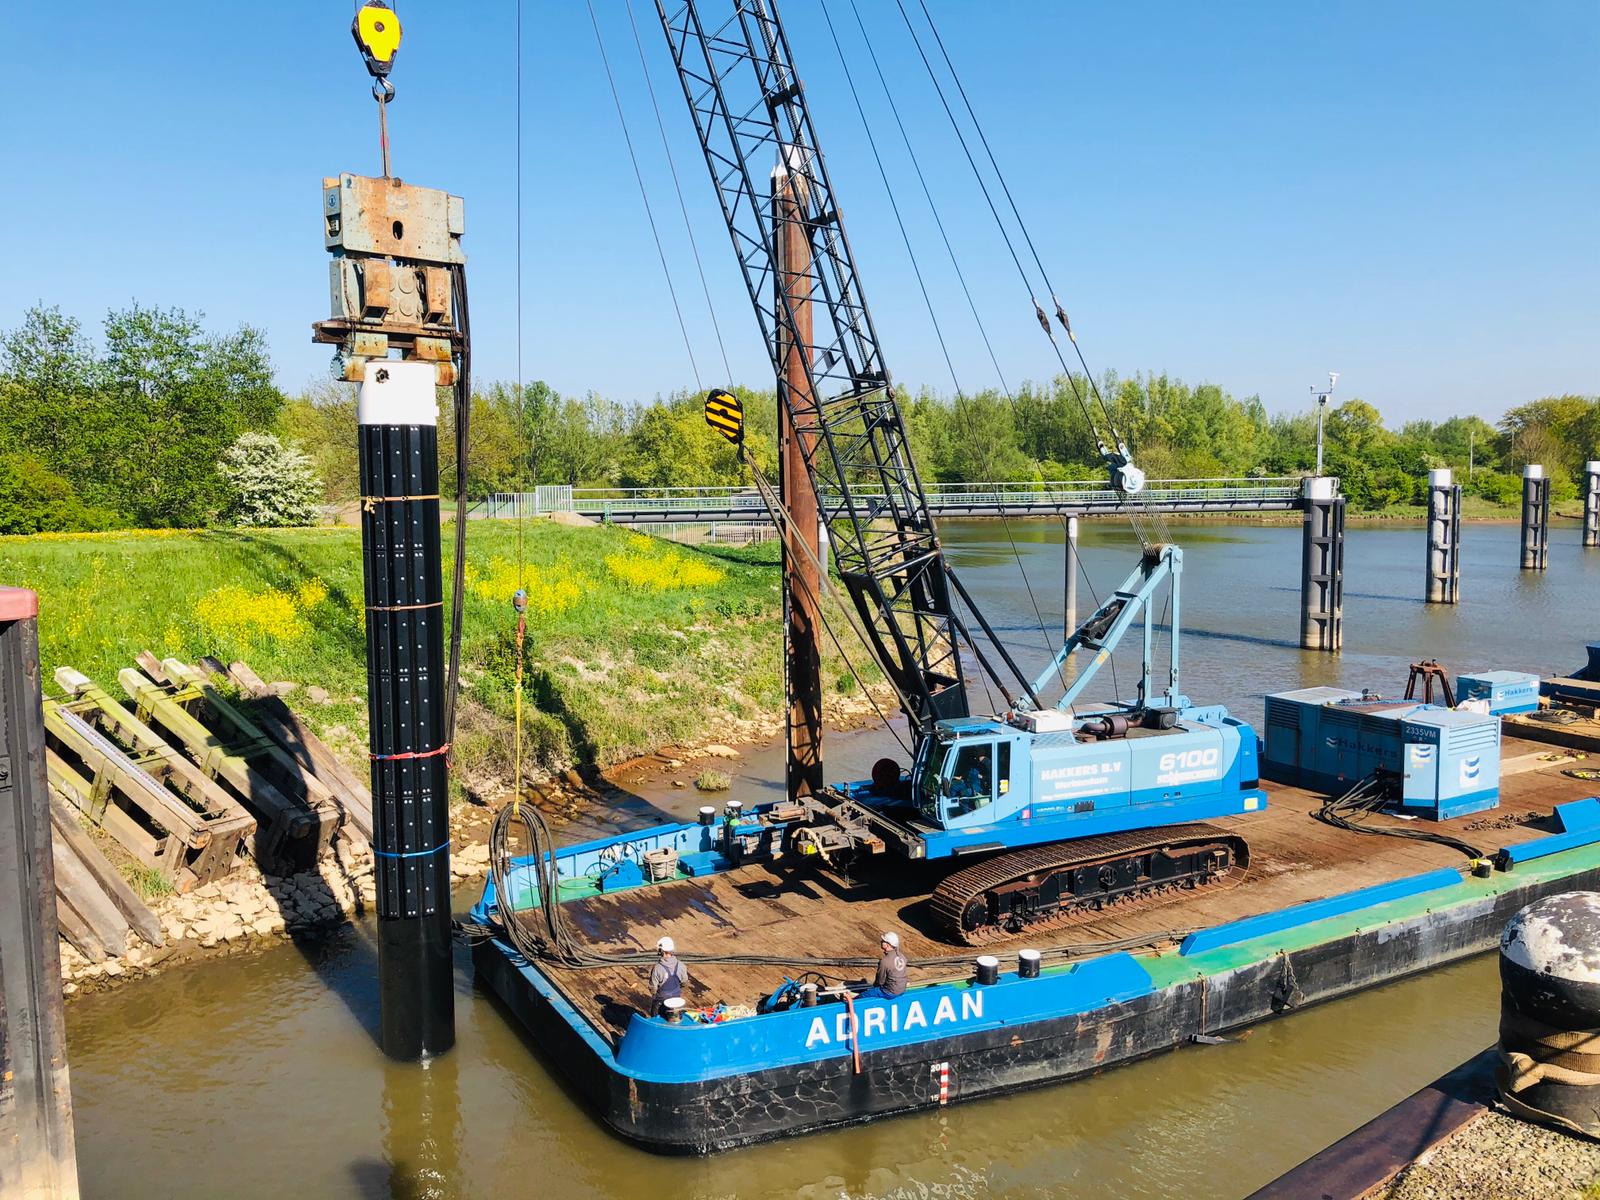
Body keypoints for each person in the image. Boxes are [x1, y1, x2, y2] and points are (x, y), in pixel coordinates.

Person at [857, 931, 907, 1000]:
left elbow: (880, 981)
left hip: (890, 992)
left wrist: (873, 989)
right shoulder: (902, 956)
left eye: (883, 941)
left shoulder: (885, 961)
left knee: (863, 996)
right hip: (902, 989)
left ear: (887, 945)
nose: (881, 942)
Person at [650, 935, 690, 1016]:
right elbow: (684, 982)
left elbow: (653, 988)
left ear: (662, 950)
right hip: (676, 1000)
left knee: (655, 1017)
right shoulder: (681, 965)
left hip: (661, 1003)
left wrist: (655, 994)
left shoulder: (657, 968)